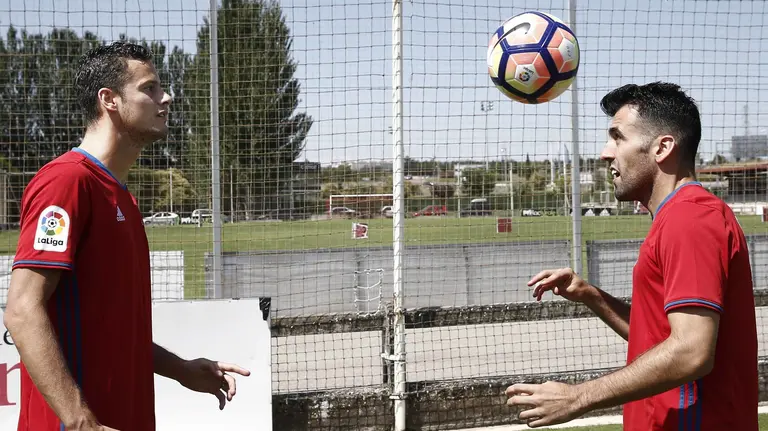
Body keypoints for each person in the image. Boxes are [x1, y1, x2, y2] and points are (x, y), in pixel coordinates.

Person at [3, 41, 250, 431]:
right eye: (149, 88)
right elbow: (21, 309)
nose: (165, 97)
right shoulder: (66, 182)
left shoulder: (123, 199)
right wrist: (80, 421)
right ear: (110, 100)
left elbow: (111, 332)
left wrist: (180, 369)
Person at [505, 82, 758, 430]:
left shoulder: (691, 218)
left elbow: (692, 351)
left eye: (617, 137)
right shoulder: (676, 217)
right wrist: (590, 295)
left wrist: (577, 397)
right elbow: (659, 338)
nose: (605, 153)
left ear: (662, 147)